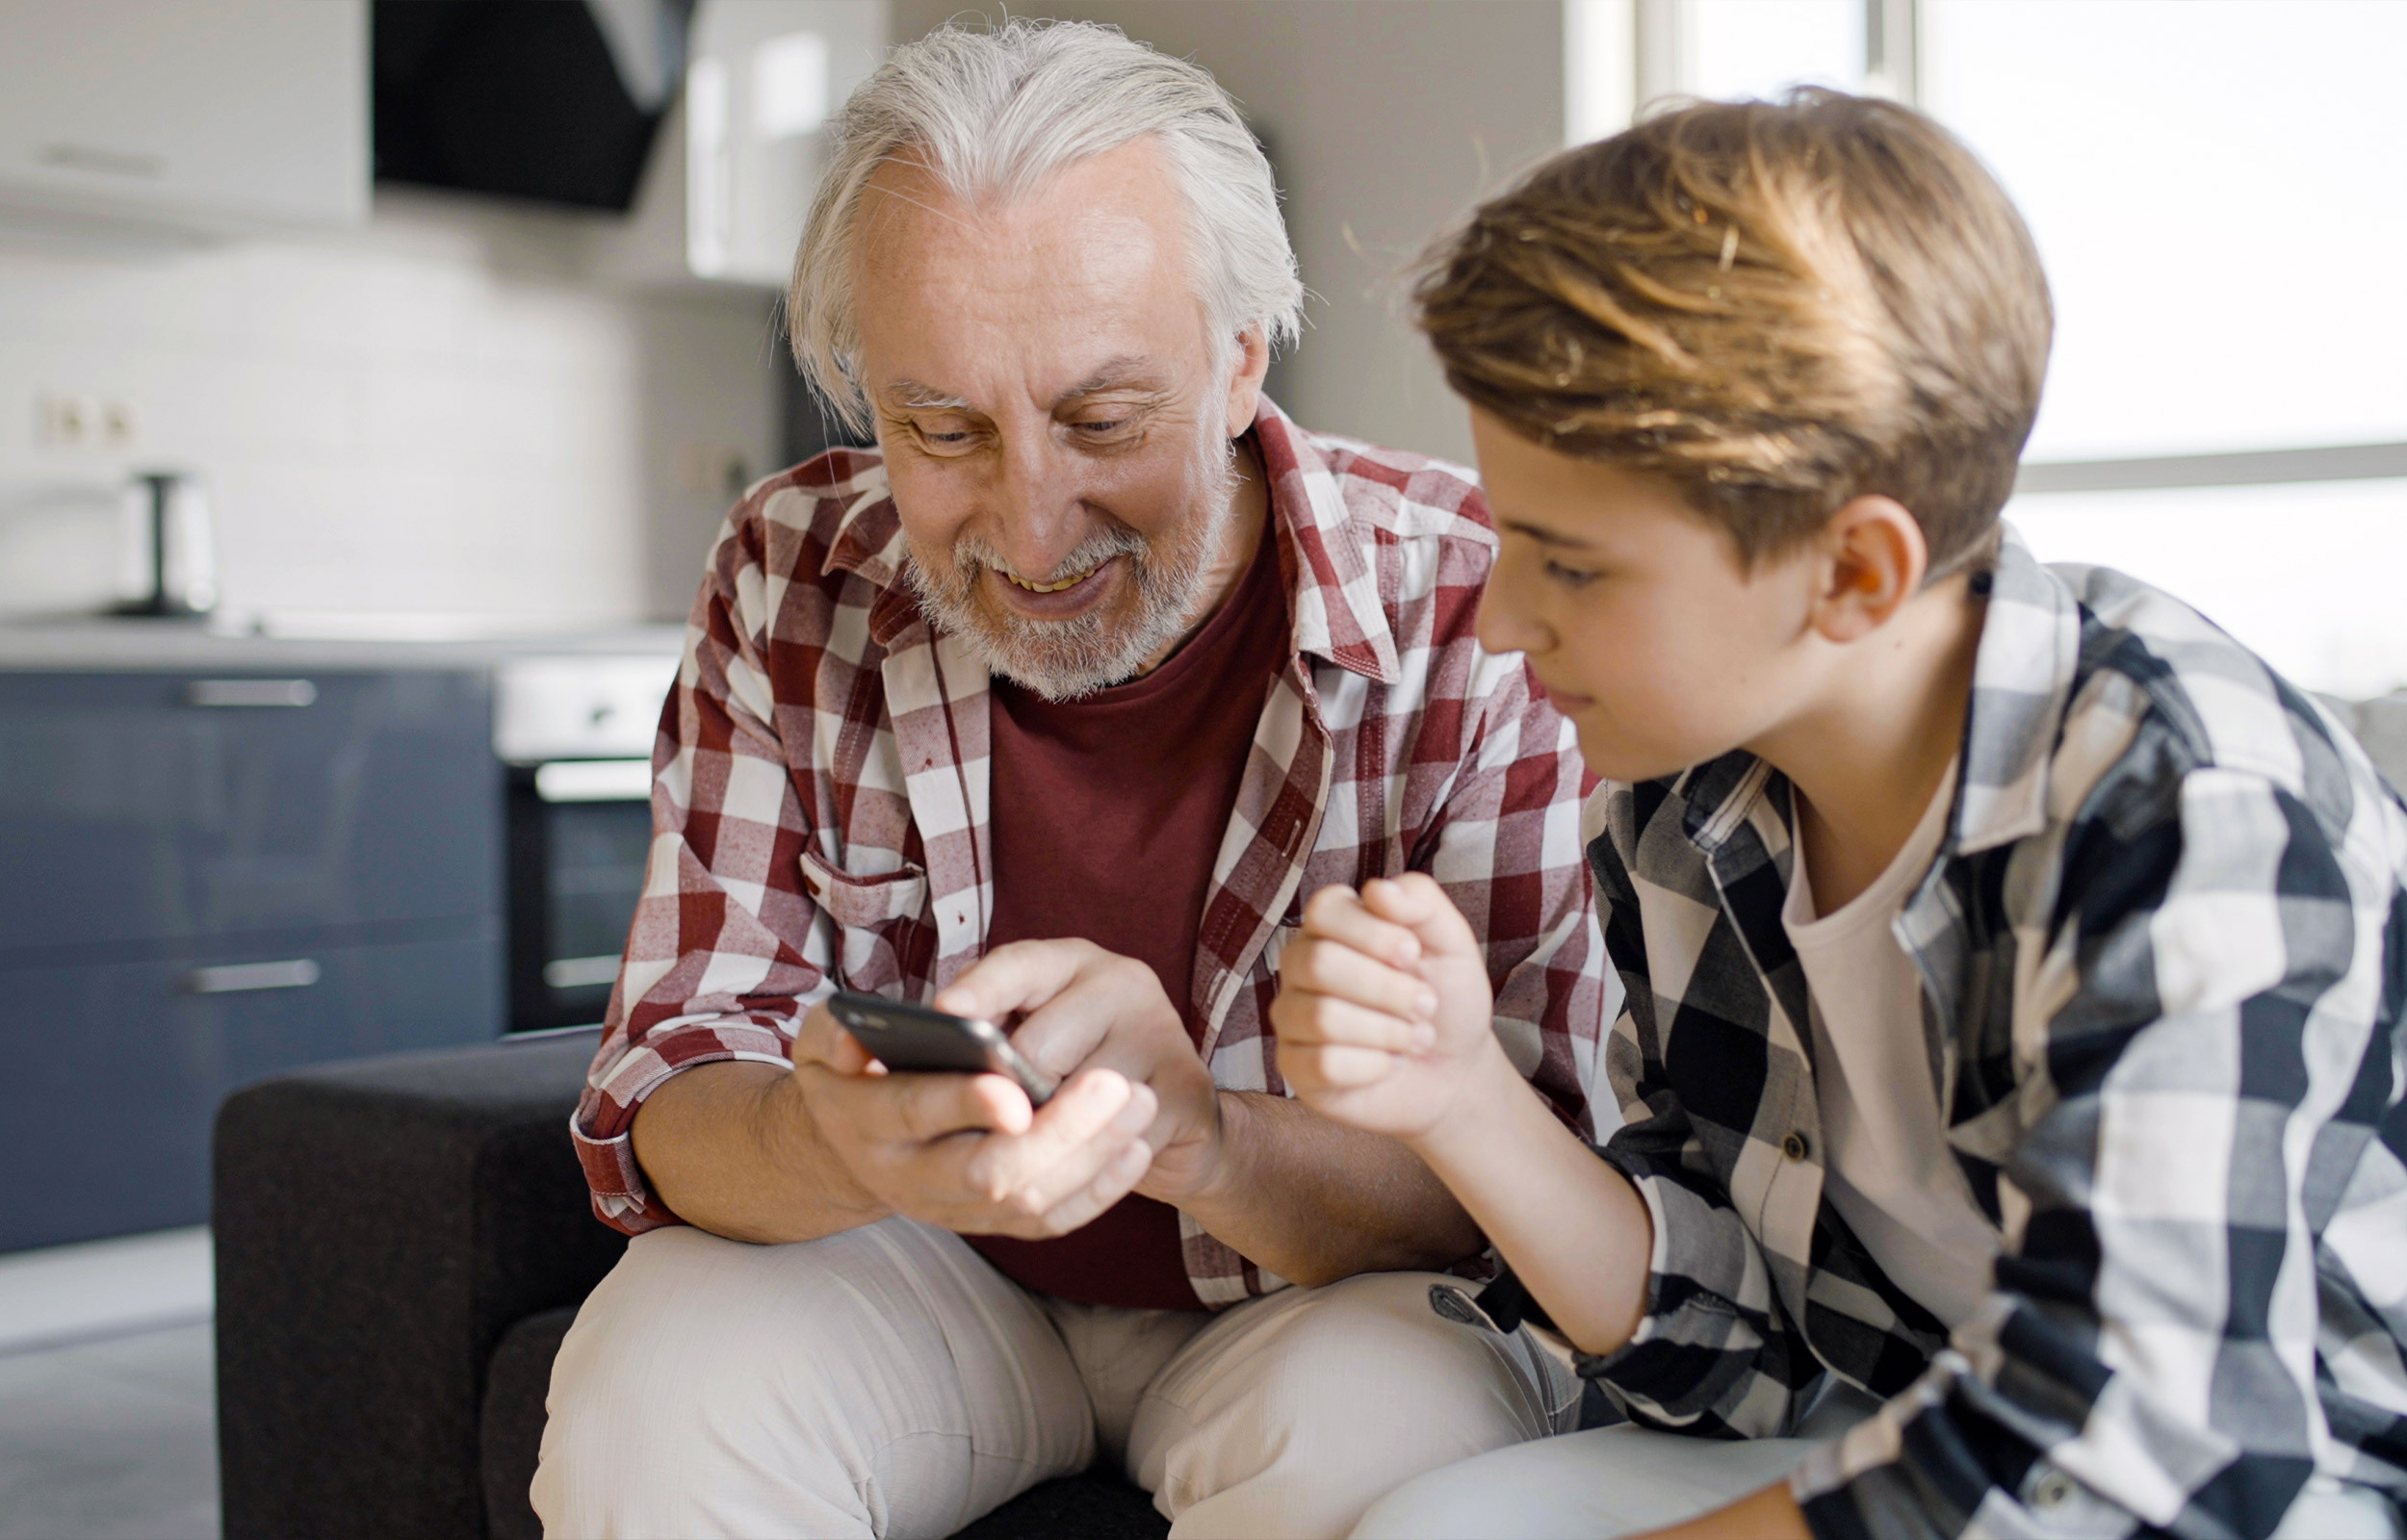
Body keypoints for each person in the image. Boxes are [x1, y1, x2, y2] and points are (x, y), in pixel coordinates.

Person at [531, 19, 1613, 1540]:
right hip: (924, 1265)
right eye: (942, 429)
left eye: (1103, 420)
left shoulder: (1474, 611)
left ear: (1240, 360)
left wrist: (1204, 1139)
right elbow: (663, 1077)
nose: (1030, 533)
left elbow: (1546, 1180)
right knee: (658, 1392)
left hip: (1317, 1296)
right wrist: (823, 1140)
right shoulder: (793, 570)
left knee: (1397, 1434)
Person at [1274, 90, 2407, 1540]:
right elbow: (1737, 1359)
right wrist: (1459, 1096)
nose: (1498, 622)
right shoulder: (1685, 805)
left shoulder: (2191, 810)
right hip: (1915, 1428)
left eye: (1573, 566)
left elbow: (2135, 1454)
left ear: (1856, 574)